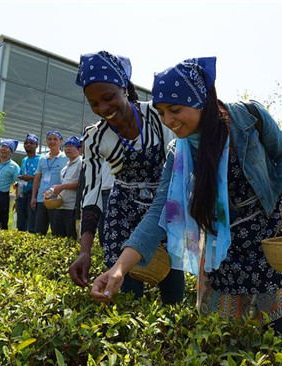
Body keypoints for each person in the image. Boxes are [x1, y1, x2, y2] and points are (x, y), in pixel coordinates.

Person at [91, 57, 282, 337]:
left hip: (265, 233)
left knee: (273, 327)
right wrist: (119, 269)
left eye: (175, 110)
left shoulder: (248, 118)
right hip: (221, 246)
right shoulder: (178, 154)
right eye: (162, 112)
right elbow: (159, 212)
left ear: (201, 100)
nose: (168, 121)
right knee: (225, 332)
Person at [69, 51, 185, 305]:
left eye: (108, 98)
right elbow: (90, 194)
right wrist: (85, 251)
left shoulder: (157, 116)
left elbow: (177, 171)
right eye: (94, 104)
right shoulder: (95, 138)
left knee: (172, 286)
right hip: (122, 214)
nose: (103, 109)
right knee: (126, 293)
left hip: (163, 208)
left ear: (123, 87)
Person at [31, 131, 68, 235]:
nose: (52, 141)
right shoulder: (42, 158)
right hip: (41, 199)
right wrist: (33, 197)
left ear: (61, 142)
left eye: (55, 139)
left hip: (55, 200)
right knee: (39, 231)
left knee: (57, 232)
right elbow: (37, 178)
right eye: (49, 139)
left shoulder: (66, 158)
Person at [48, 136, 82, 240]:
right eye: (66, 146)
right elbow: (63, 185)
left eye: (71, 146)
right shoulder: (65, 167)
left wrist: (62, 187)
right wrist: (56, 189)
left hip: (72, 207)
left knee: (71, 238)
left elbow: (81, 184)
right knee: (57, 237)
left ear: (78, 148)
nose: (68, 149)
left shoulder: (81, 163)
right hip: (61, 206)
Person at [15, 133, 40, 233]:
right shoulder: (24, 160)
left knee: (31, 223)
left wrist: (31, 178)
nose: (28, 145)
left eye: (31, 143)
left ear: (36, 146)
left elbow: (40, 178)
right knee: (20, 222)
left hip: (32, 193)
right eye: (26, 143)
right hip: (22, 193)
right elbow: (21, 176)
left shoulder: (40, 159)